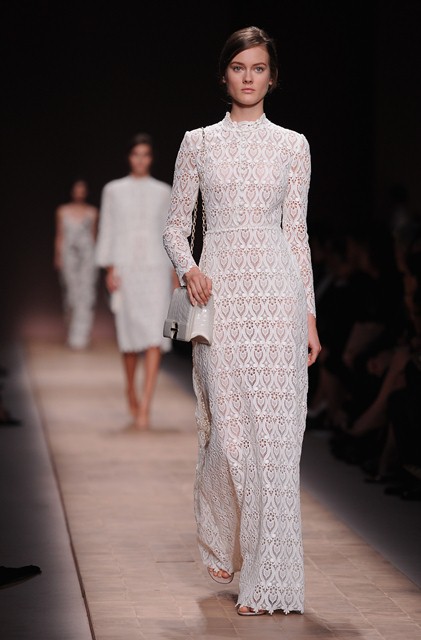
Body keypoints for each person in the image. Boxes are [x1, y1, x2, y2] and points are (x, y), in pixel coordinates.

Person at [163, 26, 321, 616]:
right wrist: (188, 269)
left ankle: (266, 578)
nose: (248, 77)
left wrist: (309, 316)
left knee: (276, 443)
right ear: (224, 74)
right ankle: (225, 538)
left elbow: (297, 236)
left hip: (278, 302)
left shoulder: (293, 145)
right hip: (222, 301)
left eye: (258, 68)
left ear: (272, 77)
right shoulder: (198, 143)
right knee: (228, 437)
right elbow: (175, 226)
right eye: (239, 67)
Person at [96, 133, 175, 429]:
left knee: (155, 336)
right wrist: (109, 268)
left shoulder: (164, 191)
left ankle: (145, 405)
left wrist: (175, 273)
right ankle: (130, 388)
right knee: (129, 338)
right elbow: (107, 228)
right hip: (126, 267)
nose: (140, 159)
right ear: (129, 157)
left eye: (146, 154)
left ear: (151, 159)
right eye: (136, 154)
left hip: (157, 268)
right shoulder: (113, 190)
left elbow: (169, 233)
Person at [54, 179, 98, 350]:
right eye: (77, 189)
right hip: (68, 255)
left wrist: (96, 258)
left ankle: (81, 336)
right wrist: (57, 256)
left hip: (88, 255)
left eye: (82, 189)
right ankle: (71, 333)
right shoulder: (62, 211)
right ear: (72, 191)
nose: (79, 192)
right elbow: (59, 234)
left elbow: (93, 235)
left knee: (86, 293)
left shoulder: (92, 212)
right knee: (71, 294)